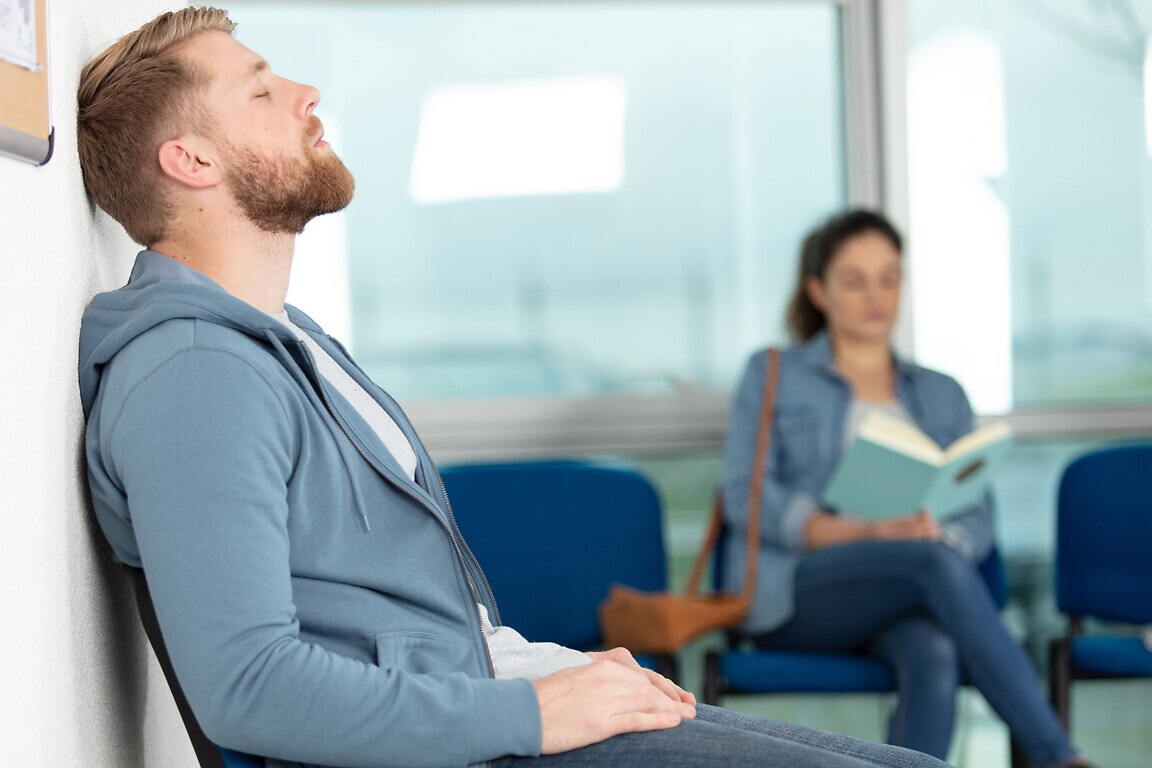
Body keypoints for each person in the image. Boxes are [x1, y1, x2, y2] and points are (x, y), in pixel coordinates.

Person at [75, 9, 953, 768]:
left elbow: (399, 628)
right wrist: (536, 710)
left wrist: (553, 672)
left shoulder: (289, 341)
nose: (306, 94)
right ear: (192, 159)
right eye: (262, 91)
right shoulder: (195, 374)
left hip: (485, 698)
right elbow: (250, 689)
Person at [721, 209, 1096, 768]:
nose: (875, 296)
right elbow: (744, 496)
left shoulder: (944, 393)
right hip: (800, 591)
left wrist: (933, 533)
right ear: (818, 291)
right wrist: (865, 533)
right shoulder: (773, 372)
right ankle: (1059, 756)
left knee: (934, 648)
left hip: (910, 584)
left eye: (889, 278)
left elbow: (977, 514)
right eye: (855, 281)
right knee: (933, 564)